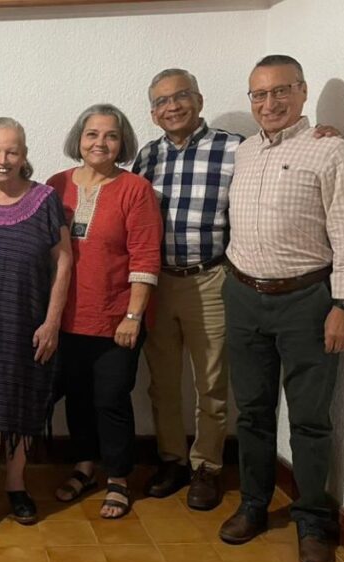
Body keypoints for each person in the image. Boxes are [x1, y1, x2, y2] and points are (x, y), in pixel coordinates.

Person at [219, 55, 344, 562]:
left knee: (308, 419)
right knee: (253, 413)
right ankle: (254, 505)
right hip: (242, 296)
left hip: (307, 301)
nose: (269, 103)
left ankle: (311, 522)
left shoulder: (330, 150)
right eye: (258, 95)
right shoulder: (244, 154)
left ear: (302, 93)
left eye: (281, 91)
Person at [131, 69, 242, 509]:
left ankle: (206, 467)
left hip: (211, 277)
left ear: (198, 99)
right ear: (153, 113)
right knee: (162, 382)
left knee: (212, 381)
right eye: (160, 101)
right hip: (160, 281)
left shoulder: (235, 149)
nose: (171, 106)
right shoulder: (148, 156)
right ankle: (172, 460)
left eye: (180, 97)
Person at [0, 117, 71, 543]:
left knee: (25, 402)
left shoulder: (45, 199)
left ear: (24, 154)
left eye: (11, 151)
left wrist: (53, 320)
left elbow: (63, 261)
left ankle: (16, 484)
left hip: (31, 320)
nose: (2, 160)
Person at [48, 104, 162, 520]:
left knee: (110, 398)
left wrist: (133, 317)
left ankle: (117, 477)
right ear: (79, 139)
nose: (100, 143)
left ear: (122, 142)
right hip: (67, 316)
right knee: (76, 398)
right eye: (92, 134)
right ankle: (84, 467)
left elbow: (146, 257)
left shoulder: (135, 189)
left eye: (110, 136)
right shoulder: (56, 185)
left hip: (116, 318)